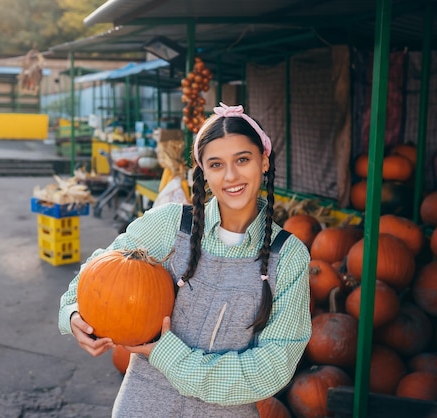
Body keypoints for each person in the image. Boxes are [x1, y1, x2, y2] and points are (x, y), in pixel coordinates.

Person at [58, 102, 311, 417]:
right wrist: (73, 314)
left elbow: (272, 368)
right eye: (216, 164)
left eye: (242, 159)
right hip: (141, 407)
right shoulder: (170, 226)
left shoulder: (288, 256)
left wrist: (169, 356)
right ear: (203, 171)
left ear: (263, 161)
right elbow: (98, 271)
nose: (231, 176)